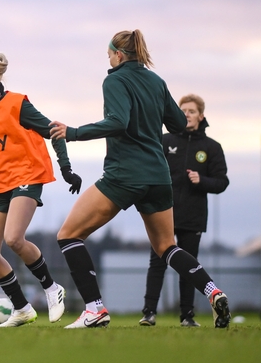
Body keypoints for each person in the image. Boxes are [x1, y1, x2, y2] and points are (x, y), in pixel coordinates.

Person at [49, 30, 232, 329]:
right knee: (165, 246)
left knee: (68, 235)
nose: (107, 60)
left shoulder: (114, 79)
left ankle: (95, 309)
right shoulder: (156, 81)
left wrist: (73, 133)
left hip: (125, 174)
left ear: (119, 55)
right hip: (159, 177)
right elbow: (177, 122)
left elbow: (117, 122)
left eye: (109, 54)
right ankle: (213, 291)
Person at [0, 53, 82, 328]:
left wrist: (66, 168)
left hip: (28, 176)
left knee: (14, 238)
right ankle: (22, 308)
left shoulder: (17, 104)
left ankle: (52, 289)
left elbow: (53, 130)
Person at [139, 94, 229, 327]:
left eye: (191, 111)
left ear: (201, 116)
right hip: (162, 212)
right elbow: (146, 166)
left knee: (189, 265)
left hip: (193, 216)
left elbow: (222, 182)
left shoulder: (211, 147)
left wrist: (202, 181)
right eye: (183, 111)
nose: (187, 115)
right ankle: (149, 313)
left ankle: (187, 316)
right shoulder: (164, 140)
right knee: (157, 263)